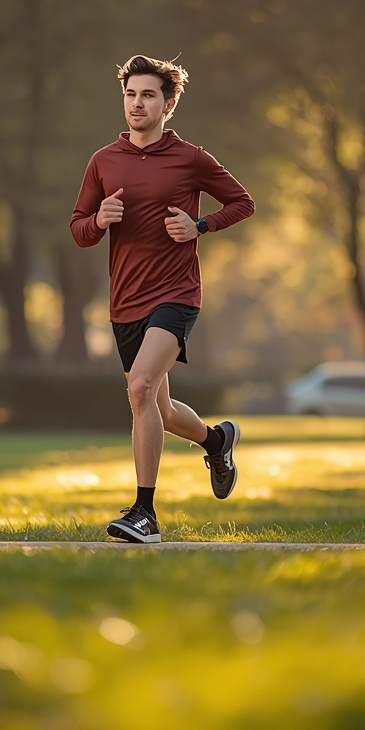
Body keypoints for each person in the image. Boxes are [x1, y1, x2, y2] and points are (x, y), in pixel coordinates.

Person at [70, 54, 255, 543]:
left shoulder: (191, 158)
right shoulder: (103, 161)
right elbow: (78, 229)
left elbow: (242, 202)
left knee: (139, 390)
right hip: (125, 300)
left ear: (168, 104)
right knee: (160, 407)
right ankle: (218, 440)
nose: (137, 103)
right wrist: (100, 220)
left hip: (176, 293)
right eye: (131, 94)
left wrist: (199, 225)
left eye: (148, 95)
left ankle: (145, 515)